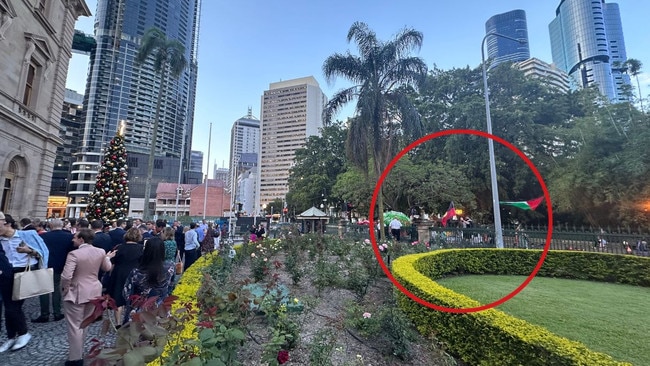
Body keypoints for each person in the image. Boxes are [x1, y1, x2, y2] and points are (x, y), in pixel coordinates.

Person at [61, 228, 112, 366]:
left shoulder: (74, 254)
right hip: (94, 290)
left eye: (75, 237)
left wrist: (65, 288)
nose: (73, 239)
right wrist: (107, 257)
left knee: (74, 326)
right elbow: (107, 268)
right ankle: (79, 351)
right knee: (85, 323)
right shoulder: (100, 251)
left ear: (81, 239)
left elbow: (66, 276)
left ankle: (75, 358)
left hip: (77, 291)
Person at [0, 212, 49, 352]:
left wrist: (30, 251)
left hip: (25, 271)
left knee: (12, 306)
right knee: (9, 306)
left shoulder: (28, 235)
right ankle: (11, 337)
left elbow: (43, 252)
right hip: (7, 273)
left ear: (6, 223)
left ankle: (23, 333)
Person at [122, 237, 175, 324]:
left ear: (146, 251)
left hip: (140, 310)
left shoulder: (137, 272)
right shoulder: (170, 267)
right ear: (163, 251)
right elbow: (171, 286)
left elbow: (126, 293)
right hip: (161, 310)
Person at [33, 218, 74, 323]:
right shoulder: (69, 237)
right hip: (61, 265)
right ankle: (57, 312)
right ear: (62, 225)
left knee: (44, 290)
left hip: (45, 264)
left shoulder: (43, 236)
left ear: (50, 226)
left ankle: (44, 314)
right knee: (56, 288)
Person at [105, 227, 143, 324]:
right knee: (134, 298)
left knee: (118, 299)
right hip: (134, 274)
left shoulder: (118, 247)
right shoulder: (141, 248)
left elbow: (113, 263)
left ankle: (118, 323)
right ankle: (130, 321)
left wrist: (110, 276)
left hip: (119, 273)